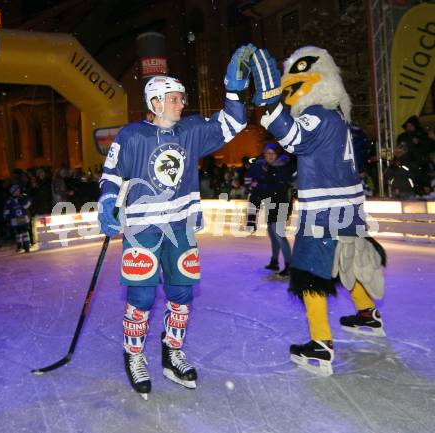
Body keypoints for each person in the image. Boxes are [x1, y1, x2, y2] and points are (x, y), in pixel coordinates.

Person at [98, 44, 254, 398]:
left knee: (181, 294)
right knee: (140, 296)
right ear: (155, 103)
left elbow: (233, 123)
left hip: (181, 230)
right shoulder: (132, 136)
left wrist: (233, 92)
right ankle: (134, 354)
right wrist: (108, 200)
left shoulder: (191, 131)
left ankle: (172, 352)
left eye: (182, 98)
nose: (182, 103)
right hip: (142, 232)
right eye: (174, 98)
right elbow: (111, 172)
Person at [248, 46, 387, 375]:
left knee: (309, 271)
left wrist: (271, 105)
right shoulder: (338, 117)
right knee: (345, 261)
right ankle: (367, 314)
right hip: (348, 204)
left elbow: (294, 137)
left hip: (324, 210)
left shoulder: (319, 114)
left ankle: (320, 343)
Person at [246, 143, 295, 277]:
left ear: (277, 154)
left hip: (281, 204)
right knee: (272, 233)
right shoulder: (268, 167)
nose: (270, 156)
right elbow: (267, 187)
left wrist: (259, 185)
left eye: (272, 153)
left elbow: (277, 187)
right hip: (271, 204)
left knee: (278, 234)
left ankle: (290, 265)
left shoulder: (282, 168)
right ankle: (274, 261)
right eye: (267, 153)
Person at [3, 183, 32, 252]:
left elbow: (27, 205)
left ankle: (26, 246)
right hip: (15, 219)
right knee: (18, 233)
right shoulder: (9, 201)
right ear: (13, 192)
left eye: (19, 190)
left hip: (23, 218)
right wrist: (6, 217)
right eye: (17, 191)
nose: (19, 191)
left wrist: (26, 200)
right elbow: (6, 210)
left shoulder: (22, 197)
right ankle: (19, 245)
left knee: (25, 232)